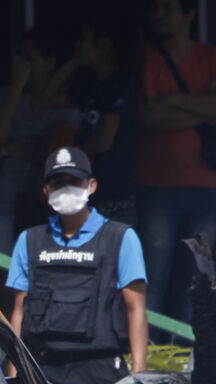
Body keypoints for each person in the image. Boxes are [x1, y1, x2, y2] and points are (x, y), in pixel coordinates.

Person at [7, 147, 149, 384]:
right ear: (46, 191)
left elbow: (136, 310)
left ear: (91, 186)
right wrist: (13, 380)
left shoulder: (121, 238)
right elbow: (18, 313)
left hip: (100, 370)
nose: (66, 188)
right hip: (43, 370)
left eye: (74, 181)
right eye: (58, 182)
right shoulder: (29, 241)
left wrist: (138, 381)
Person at [134, 0, 216, 324]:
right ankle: (148, 353)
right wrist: (205, 104)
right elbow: (148, 115)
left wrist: (175, 101)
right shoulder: (145, 57)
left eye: (167, 8)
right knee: (153, 279)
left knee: (195, 284)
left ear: (189, 14)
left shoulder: (212, 57)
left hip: (204, 186)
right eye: (154, 8)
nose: (158, 15)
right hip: (157, 185)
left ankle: (188, 353)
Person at [0, 28, 81, 256]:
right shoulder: (6, 95)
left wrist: (10, 149)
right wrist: (17, 87)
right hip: (4, 205)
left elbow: (53, 152)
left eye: (29, 59)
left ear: (50, 62)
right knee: (2, 265)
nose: (22, 65)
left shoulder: (63, 103)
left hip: (44, 206)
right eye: (19, 58)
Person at [74, 15, 141, 226]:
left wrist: (70, 157)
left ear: (103, 45)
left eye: (83, 40)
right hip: (87, 196)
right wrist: (73, 61)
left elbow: (104, 141)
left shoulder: (120, 84)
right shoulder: (89, 85)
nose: (77, 45)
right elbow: (42, 102)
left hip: (114, 195)